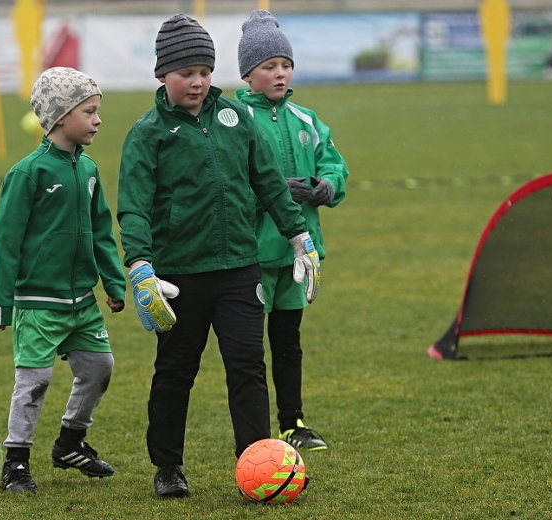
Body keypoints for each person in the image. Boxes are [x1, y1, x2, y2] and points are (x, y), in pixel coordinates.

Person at [117, 14, 320, 498]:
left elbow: (267, 181)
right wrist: (140, 265)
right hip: (180, 276)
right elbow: (134, 207)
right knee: (175, 372)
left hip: (239, 270)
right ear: (163, 75)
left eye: (205, 71)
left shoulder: (236, 118)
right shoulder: (147, 133)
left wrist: (298, 236)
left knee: (248, 367)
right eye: (186, 72)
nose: (198, 82)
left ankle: (258, 462)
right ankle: (168, 466)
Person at [0, 67, 126, 493]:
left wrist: (114, 284)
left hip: (81, 302)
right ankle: (16, 463)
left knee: (100, 368)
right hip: (37, 301)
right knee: (34, 382)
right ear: (62, 116)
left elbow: (101, 231)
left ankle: (70, 442)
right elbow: (5, 241)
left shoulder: (89, 171)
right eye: (90, 111)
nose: (98, 120)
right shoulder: (29, 173)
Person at [236, 10, 349, 451]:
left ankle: (292, 423)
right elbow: (226, 182)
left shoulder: (307, 119)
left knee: (288, 342)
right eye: (269, 66)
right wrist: (272, 189)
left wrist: (325, 186)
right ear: (248, 73)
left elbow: (335, 167)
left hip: (298, 255)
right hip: (251, 255)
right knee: (248, 352)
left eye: (285, 64)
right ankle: (255, 432)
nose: (279, 73)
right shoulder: (234, 119)